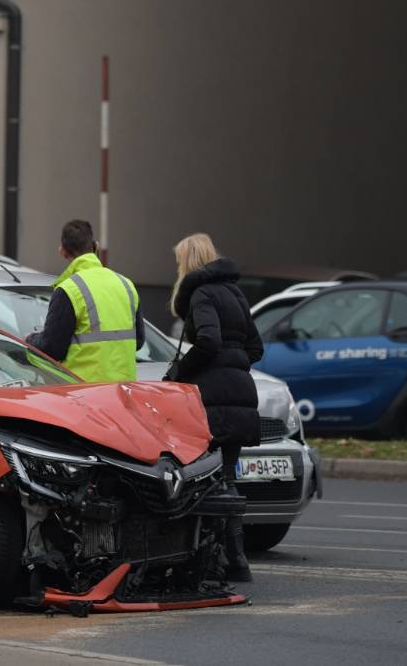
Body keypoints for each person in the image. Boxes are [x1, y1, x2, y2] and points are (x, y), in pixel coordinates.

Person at [166, 232, 262, 583]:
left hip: (211, 398)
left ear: (187, 262)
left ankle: (215, 559)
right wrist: (233, 366)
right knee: (227, 475)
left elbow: (207, 341)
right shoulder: (235, 293)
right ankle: (237, 560)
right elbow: (256, 348)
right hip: (240, 393)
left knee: (204, 478)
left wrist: (181, 372)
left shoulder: (202, 293)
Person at [25, 219, 142, 383]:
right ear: (96, 246)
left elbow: (52, 349)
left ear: (63, 251)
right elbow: (139, 341)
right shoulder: (126, 285)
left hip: (84, 393)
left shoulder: (69, 290)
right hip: (124, 392)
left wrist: (30, 340)